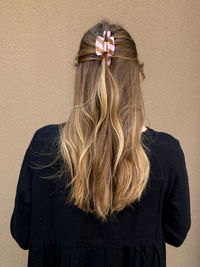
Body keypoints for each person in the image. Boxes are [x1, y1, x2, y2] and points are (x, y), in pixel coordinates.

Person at [10, 19, 191, 267]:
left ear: (81, 76)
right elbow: (177, 232)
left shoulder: (44, 145)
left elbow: (22, 234)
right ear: (137, 75)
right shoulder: (166, 152)